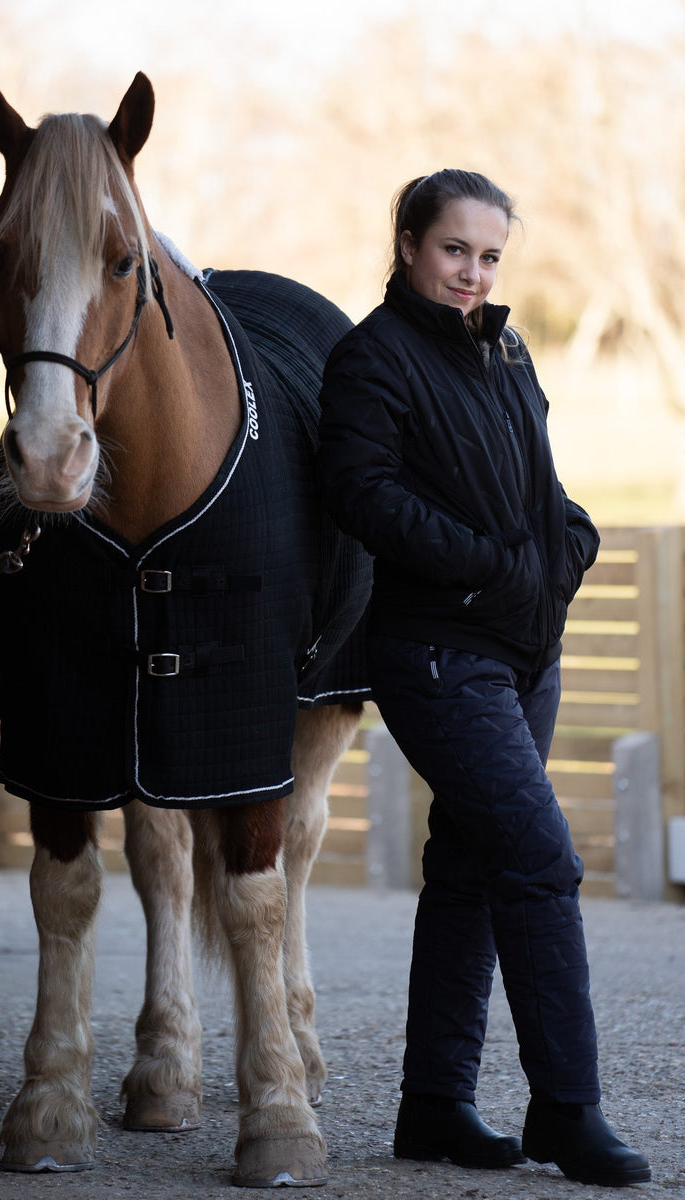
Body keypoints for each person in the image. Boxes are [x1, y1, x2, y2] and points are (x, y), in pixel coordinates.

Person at [316, 170, 651, 1188]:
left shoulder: (502, 348)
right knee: (538, 863)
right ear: (409, 242)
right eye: (453, 249)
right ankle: (565, 1109)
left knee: (468, 871)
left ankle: (432, 1107)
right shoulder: (369, 358)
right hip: (434, 652)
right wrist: (494, 565)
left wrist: (569, 537)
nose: (471, 272)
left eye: (489, 255)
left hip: (522, 652)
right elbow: (359, 492)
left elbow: (533, 481)